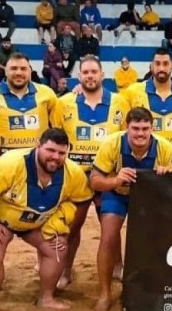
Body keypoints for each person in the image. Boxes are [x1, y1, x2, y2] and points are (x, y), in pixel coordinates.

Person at [0, 128, 93, 311]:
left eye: (61, 153)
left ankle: (46, 297)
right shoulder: (10, 163)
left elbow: (83, 200)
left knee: (57, 249)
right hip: (1, 219)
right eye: (50, 150)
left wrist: (68, 229)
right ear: (38, 146)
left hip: (38, 223)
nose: (55, 157)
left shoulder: (73, 173)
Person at [51, 56, 129, 288]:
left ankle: (118, 266)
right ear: (79, 76)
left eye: (94, 72)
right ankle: (65, 270)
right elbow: (56, 138)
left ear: (102, 75)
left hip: (107, 176)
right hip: (75, 177)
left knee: (110, 225)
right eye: (85, 72)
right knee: (72, 226)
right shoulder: (64, 103)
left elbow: (125, 138)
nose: (90, 76)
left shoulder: (120, 102)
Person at [90, 108, 172, 311]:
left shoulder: (164, 147)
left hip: (148, 198)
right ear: (126, 127)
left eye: (145, 128)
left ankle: (150, 288)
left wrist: (167, 174)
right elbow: (94, 181)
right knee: (108, 237)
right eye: (135, 128)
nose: (140, 133)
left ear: (152, 128)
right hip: (117, 194)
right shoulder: (112, 144)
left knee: (153, 240)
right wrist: (115, 180)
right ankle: (105, 293)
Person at [120, 48, 172, 159]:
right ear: (151, 66)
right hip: (144, 161)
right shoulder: (132, 92)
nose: (161, 68)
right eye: (157, 64)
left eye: (165, 64)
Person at [0, 52, 57, 156]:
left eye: (23, 69)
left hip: (36, 162)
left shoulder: (47, 93)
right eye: (13, 68)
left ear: (30, 71)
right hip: (1, 162)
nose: (18, 73)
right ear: (6, 71)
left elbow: (60, 124)